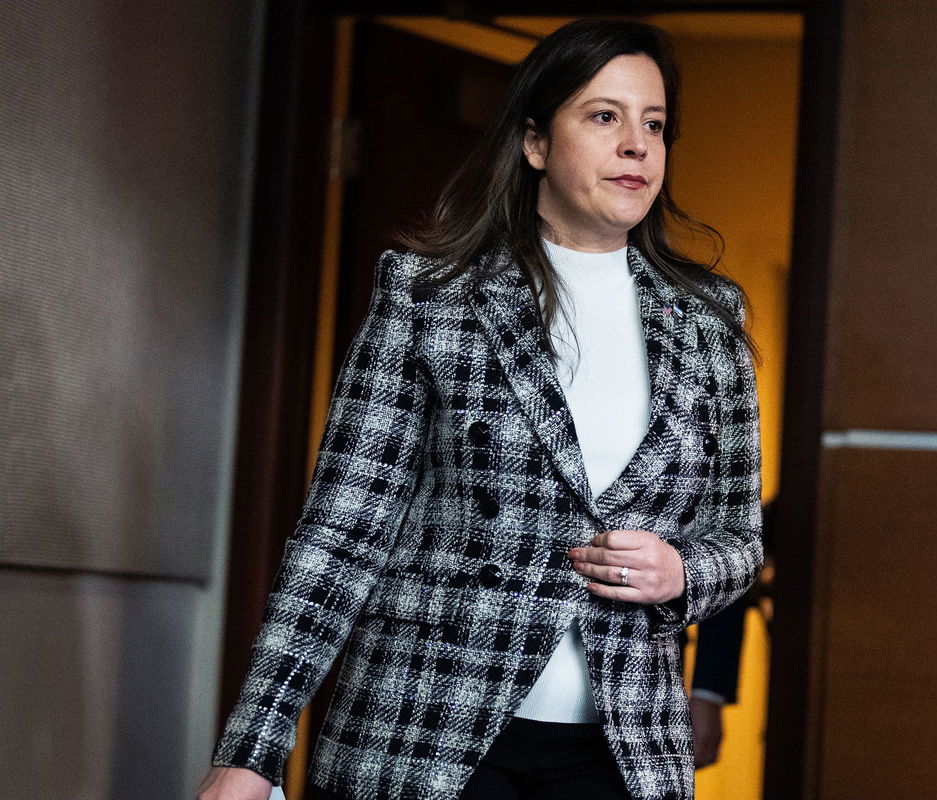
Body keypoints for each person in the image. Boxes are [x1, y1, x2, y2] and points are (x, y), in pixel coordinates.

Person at [198, 18, 762, 800]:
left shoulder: (710, 321)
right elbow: (340, 534)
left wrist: (682, 571)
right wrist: (252, 752)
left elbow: (738, 536)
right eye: (605, 116)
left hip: (622, 753)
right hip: (425, 734)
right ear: (535, 142)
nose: (637, 144)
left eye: (654, 124)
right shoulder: (432, 297)